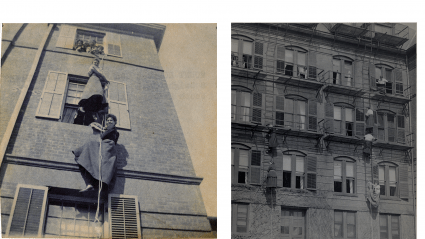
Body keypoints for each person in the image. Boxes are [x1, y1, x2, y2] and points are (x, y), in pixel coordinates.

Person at [73, 114, 120, 192]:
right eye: (107, 120)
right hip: (102, 147)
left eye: (111, 120)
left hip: (107, 147)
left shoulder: (114, 131)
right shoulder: (107, 129)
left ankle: (92, 183)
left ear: (115, 122)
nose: (109, 122)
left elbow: (103, 136)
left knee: (90, 144)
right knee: (83, 157)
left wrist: (102, 129)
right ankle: (89, 183)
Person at [74, 58, 109, 126]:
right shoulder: (92, 67)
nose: (95, 63)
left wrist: (103, 78)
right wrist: (104, 78)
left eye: (97, 62)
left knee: (98, 92)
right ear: (92, 62)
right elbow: (98, 73)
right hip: (93, 80)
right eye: (94, 62)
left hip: (97, 81)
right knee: (90, 92)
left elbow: (100, 74)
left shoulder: (99, 68)